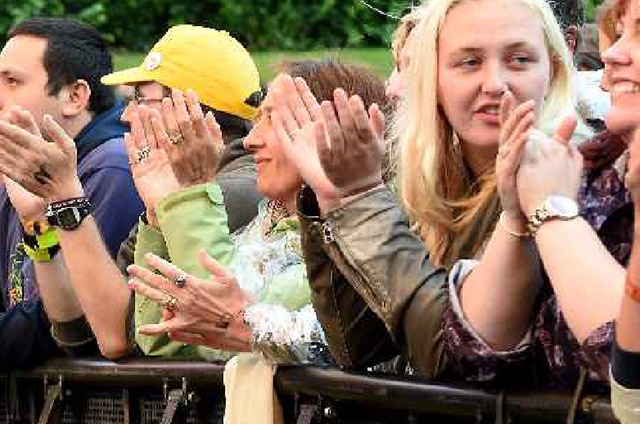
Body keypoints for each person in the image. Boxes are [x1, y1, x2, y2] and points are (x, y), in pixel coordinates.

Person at [266, 0, 589, 380]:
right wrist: (330, 198)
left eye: (519, 59)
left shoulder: (564, 177)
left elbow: (449, 353)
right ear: (431, 79)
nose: (495, 84)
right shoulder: (428, 180)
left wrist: (359, 200)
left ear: (552, 69)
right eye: (469, 62)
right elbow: (359, 347)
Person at [0, 25, 264, 360]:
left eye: (141, 99)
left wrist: (65, 197)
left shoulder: (234, 192)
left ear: (190, 113)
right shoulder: (169, 189)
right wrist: (39, 219)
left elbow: (116, 336)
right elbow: (78, 331)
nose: (126, 114)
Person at [127, 59, 388, 363]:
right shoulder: (267, 218)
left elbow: (226, 335)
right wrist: (160, 212)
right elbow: (159, 337)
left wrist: (192, 192)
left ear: (332, 133)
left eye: (273, 120)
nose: (250, 140)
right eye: (258, 119)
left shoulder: (357, 241)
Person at [0, 18, 143, 370]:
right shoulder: (21, 164)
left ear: (75, 97)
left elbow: (65, 325)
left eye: (12, 81)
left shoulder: (113, 169)